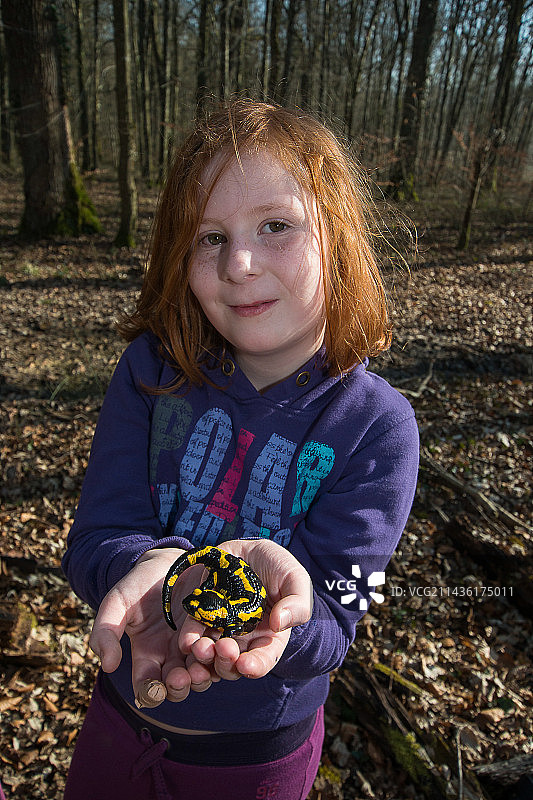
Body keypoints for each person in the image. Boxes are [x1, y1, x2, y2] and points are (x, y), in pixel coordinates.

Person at [62, 99, 419, 800]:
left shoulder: (376, 427)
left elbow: (334, 626)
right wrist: (159, 571)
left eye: (276, 226)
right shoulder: (150, 371)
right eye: (209, 238)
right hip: (117, 721)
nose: (240, 263)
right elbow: (94, 542)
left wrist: (278, 603)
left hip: (256, 763)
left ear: (339, 240)